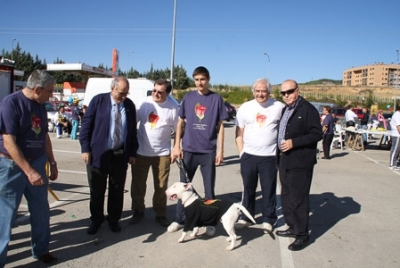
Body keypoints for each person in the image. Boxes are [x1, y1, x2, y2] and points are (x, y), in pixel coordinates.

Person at [0, 70, 59, 265]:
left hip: (37, 162)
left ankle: (41, 250)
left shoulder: (40, 105)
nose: (51, 95)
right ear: (37, 89)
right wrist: (29, 171)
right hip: (12, 166)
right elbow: (9, 141)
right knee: (5, 215)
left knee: (41, 211)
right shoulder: (11, 103)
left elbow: (44, 136)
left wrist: (52, 161)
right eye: (49, 91)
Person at [168, 66, 229, 233]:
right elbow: (180, 122)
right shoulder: (188, 97)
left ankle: (210, 222)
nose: (199, 83)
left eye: (202, 79)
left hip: (208, 151)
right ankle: (180, 219)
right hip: (188, 150)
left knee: (209, 189)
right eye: (196, 80)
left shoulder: (216, 99)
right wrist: (177, 146)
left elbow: (221, 125)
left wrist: (220, 151)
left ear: (208, 79)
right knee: (183, 188)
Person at [79, 76, 139, 235]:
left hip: (120, 154)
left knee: (117, 190)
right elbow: (86, 126)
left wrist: (132, 151)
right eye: (121, 93)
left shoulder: (129, 105)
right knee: (97, 191)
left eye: (126, 93)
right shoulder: (98, 101)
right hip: (98, 154)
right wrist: (85, 148)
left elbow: (132, 131)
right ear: (112, 89)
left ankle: (113, 219)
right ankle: (96, 220)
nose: (123, 97)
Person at [276, 79, 323, 251]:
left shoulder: (307, 109)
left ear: (298, 91)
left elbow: (317, 133)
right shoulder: (285, 109)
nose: (286, 95)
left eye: (289, 91)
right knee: (287, 196)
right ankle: (292, 226)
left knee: (299, 199)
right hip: (284, 160)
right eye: (283, 93)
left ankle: (302, 235)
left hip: (300, 163)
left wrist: (294, 143)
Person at [233, 78, 284, 233]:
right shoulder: (245, 107)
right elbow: (239, 132)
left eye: (264, 91)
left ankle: (269, 219)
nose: (260, 94)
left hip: (269, 156)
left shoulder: (278, 107)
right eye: (258, 91)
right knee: (248, 188)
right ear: (253, 91)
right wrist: (241, 152)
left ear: (269, 92)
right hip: (248, 155)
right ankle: (246, 217)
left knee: (268, 189)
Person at [129, 79, 178, 227]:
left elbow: (178, 131)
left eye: (160, 92)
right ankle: (138, 211)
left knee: (161, 186)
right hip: (141, 152)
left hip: (162, 154)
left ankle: (160, 213)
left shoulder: (173, 108)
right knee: (138, 184)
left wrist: (176, 148)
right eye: (154, 91)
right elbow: (132, 125)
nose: (155, 94)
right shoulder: (144, 103)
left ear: (167, 93)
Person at [389, 104, 400, 170]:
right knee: (395, 150)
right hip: (397, 135)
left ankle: (395, 163)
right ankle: (392, 164)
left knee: (397, 150)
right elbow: (399, 127)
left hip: (397, 135)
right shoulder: (397, 115)